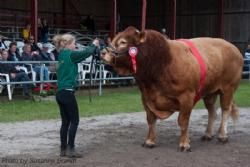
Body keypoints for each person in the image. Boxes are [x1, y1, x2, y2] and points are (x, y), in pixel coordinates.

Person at [53, 33, 99, 158]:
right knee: (75, 120)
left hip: (60, 92)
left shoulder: (61, 55)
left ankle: (63, 149)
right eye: (74, 43)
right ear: (68, 44)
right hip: (68, 92)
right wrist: (93, 45)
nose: (75, 45)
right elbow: (86, 53)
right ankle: (71, 148)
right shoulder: (71, 54)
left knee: (65, 122)